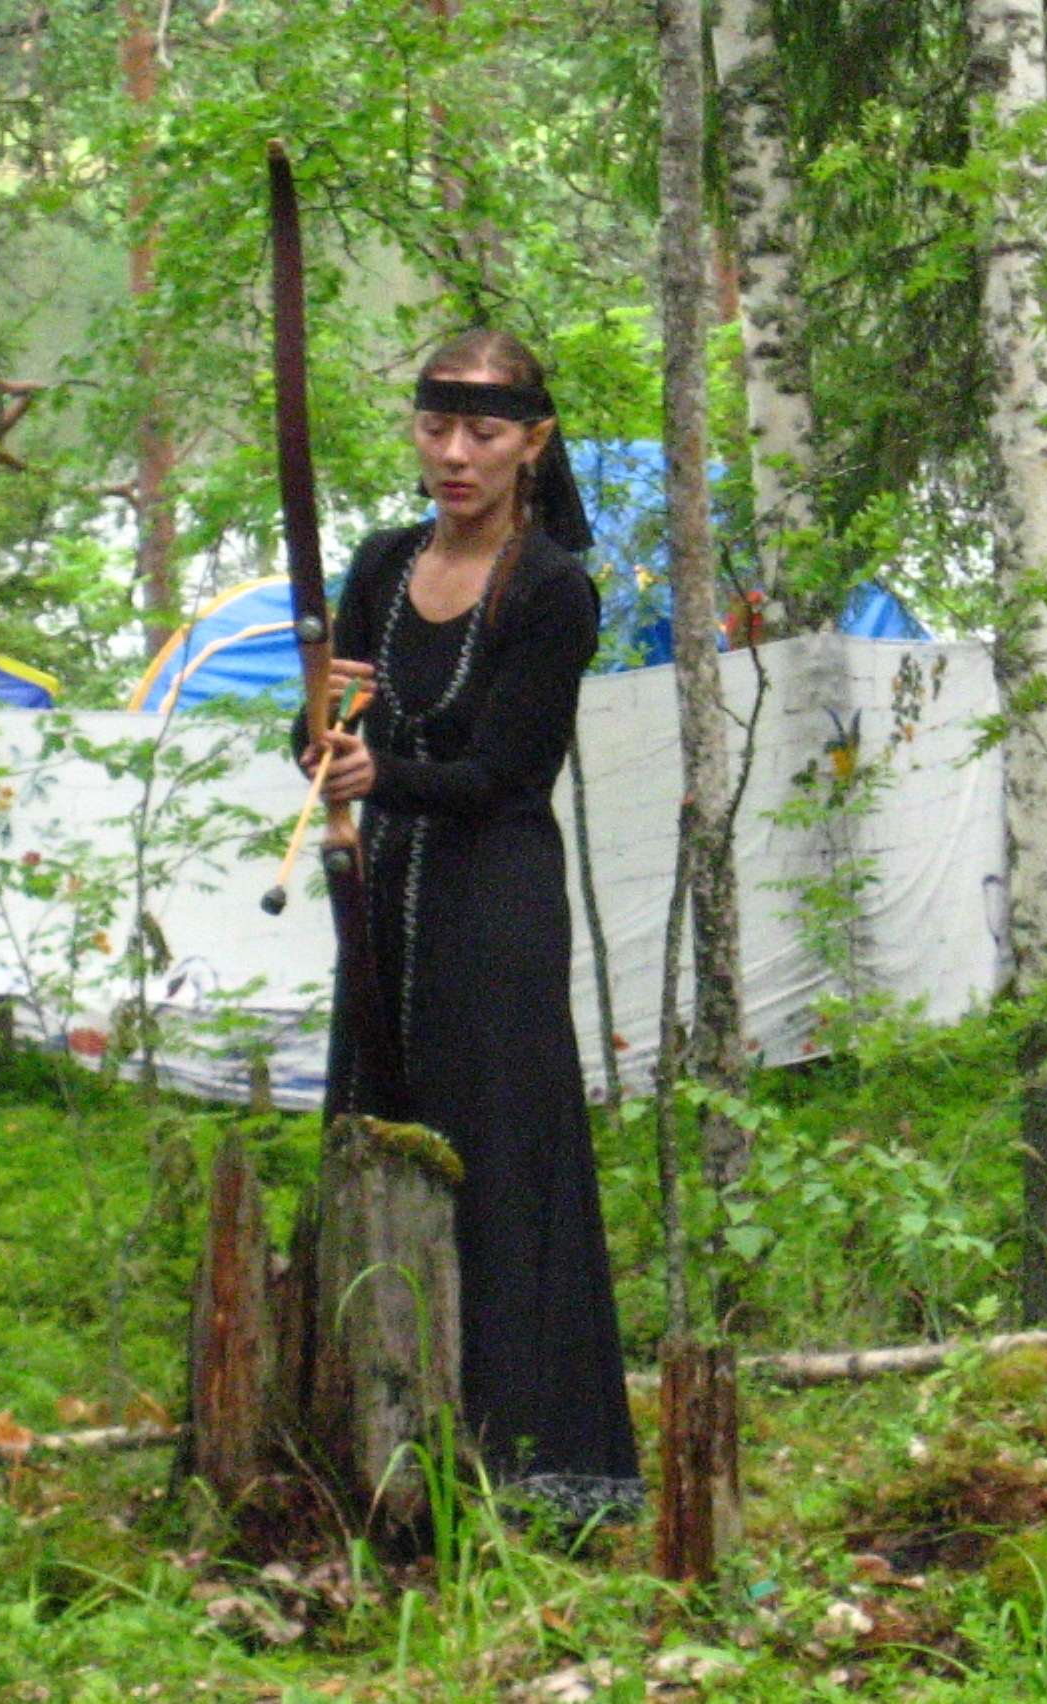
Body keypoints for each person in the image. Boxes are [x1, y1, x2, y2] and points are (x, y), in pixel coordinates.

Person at [299, 328, 642, 1526]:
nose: (454, 453)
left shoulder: (551, 589)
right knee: (373, 1132)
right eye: (436, 427)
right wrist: (325, 746)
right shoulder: (383, 564)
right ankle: (369, 1447)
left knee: (493, 1159)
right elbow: (335, 717)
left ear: (531, 443)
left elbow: (505, 774)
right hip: (381, 895)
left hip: (493, 908)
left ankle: (525, 1466)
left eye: (483, 432)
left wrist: (378, 775)